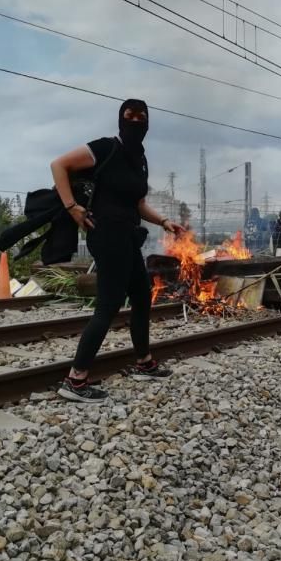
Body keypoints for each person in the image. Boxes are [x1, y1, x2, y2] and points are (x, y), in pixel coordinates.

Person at [51, 99, 183, 403]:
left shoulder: (139, 158)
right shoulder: (104, 147)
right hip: (106, 235)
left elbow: (137, 203)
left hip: (126, 236)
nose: (136, 121)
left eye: (142, 117)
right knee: (108, 306)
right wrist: (72, 208)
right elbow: (59, 165)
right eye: (130, 115)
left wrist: (163, 221)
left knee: (141, 295)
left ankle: (143, 362)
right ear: (121, 119)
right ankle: (76, 379)